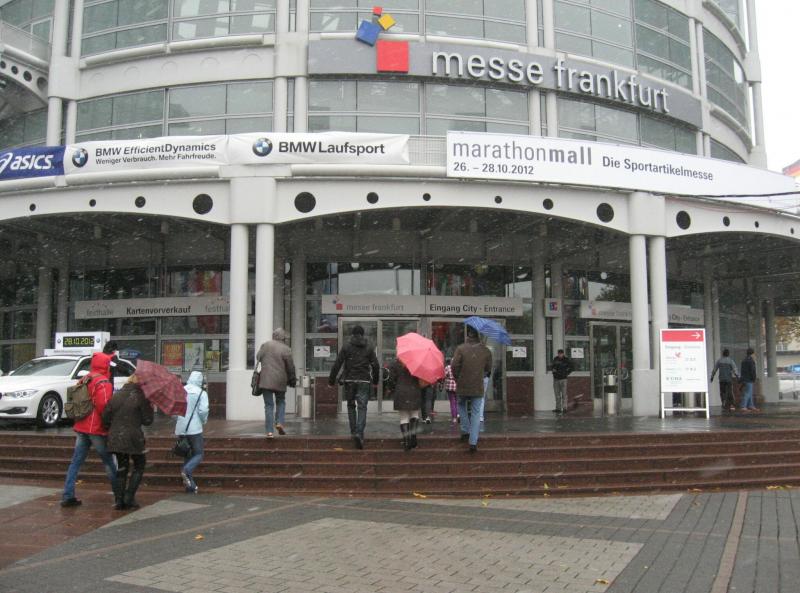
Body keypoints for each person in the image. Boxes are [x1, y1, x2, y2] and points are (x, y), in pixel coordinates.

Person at [61, 352, 117, 508]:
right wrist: (109, 423)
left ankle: (68, 495)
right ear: (105, 365)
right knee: (109, 462)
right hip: (96, 428)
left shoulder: (85, 378)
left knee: (76, 462)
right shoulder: (103, 382)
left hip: (81, 425)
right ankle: (119, 494)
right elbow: (103, 405)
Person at [101, 374, 154, 510]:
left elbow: (105, 417)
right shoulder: (141, 397)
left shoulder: (116, 396)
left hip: (116, 437)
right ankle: (129, 497)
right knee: (139, 465)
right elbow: (148, 421)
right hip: (134, 438)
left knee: (122, 467)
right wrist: (149, 407)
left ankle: (119, 500)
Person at [328, 325, 379, 449]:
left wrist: (331, 380)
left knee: (351, 406)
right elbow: (376, 365)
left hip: (350, 380)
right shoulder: (369, 347)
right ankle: (359, 433)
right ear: (363, 334)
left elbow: (337, 363)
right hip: (364, 380)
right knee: (362, 407)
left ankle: (353, 431)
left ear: (352, 334)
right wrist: (375, 380)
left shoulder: (347, 346)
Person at [452, 325, 492, 453]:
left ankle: (465, 430)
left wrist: (458, 377)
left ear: (468, 336)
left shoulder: (461, 349)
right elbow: (488, 368)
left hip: (463, 384)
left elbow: (454, 366)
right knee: (476, 413)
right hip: (477, 385)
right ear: (478, 336)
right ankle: (473, 442)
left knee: (461, 405)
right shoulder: (486, 350)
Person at [255, 328, 297, 439]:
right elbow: (290, 367)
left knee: (269, 405)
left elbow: (258, 357)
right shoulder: (286, 349)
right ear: (283, 338)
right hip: (280, 380)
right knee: (281, 401)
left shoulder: (266, 345)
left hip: (266, 380)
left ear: (274, 336)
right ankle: (279, 422)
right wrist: (292, 379)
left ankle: (269, 431)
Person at [174, 370, 209, 493]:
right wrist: (203, 421)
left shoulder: (181, 390)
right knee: (198, 453)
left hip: (181, 428)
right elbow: (203, 410)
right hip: (194, 428)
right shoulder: (201, 393)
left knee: (187, 454)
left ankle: (190, 486)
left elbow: (175, 409)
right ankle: (186, 470)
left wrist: (179, 420)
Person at [387, 359, 422, 451]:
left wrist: (392, 388)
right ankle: (413, 438)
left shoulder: (395, 364)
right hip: (414, 390)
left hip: (401, 391)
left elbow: (391, 380)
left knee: (404, 417)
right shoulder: (416, 363)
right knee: (414, 415)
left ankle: (406, 441)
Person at [551, 349, 574, 414]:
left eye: (561, 354)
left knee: (564, 394)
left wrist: (566, 373)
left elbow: (572, 367)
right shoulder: (555, 359)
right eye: (559, 353)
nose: (560, 355)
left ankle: (564, 408)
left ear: (563, 354)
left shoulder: (566, 360)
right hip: (556, 379)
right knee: (557, 394)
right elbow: (552, 367)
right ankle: (558, 408)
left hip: (563, 379)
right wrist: (553, 371)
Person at [739, 347, 758, 412]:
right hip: (749, 379)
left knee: (750, 393)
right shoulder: (751, 361)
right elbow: (752, 370)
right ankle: (743, 406)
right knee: (747, 393)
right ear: (752, 354)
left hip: (745, 378)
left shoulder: (744, 360)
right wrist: (754, 378)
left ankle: (751, 405)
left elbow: (742, 370)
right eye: (754, 353)